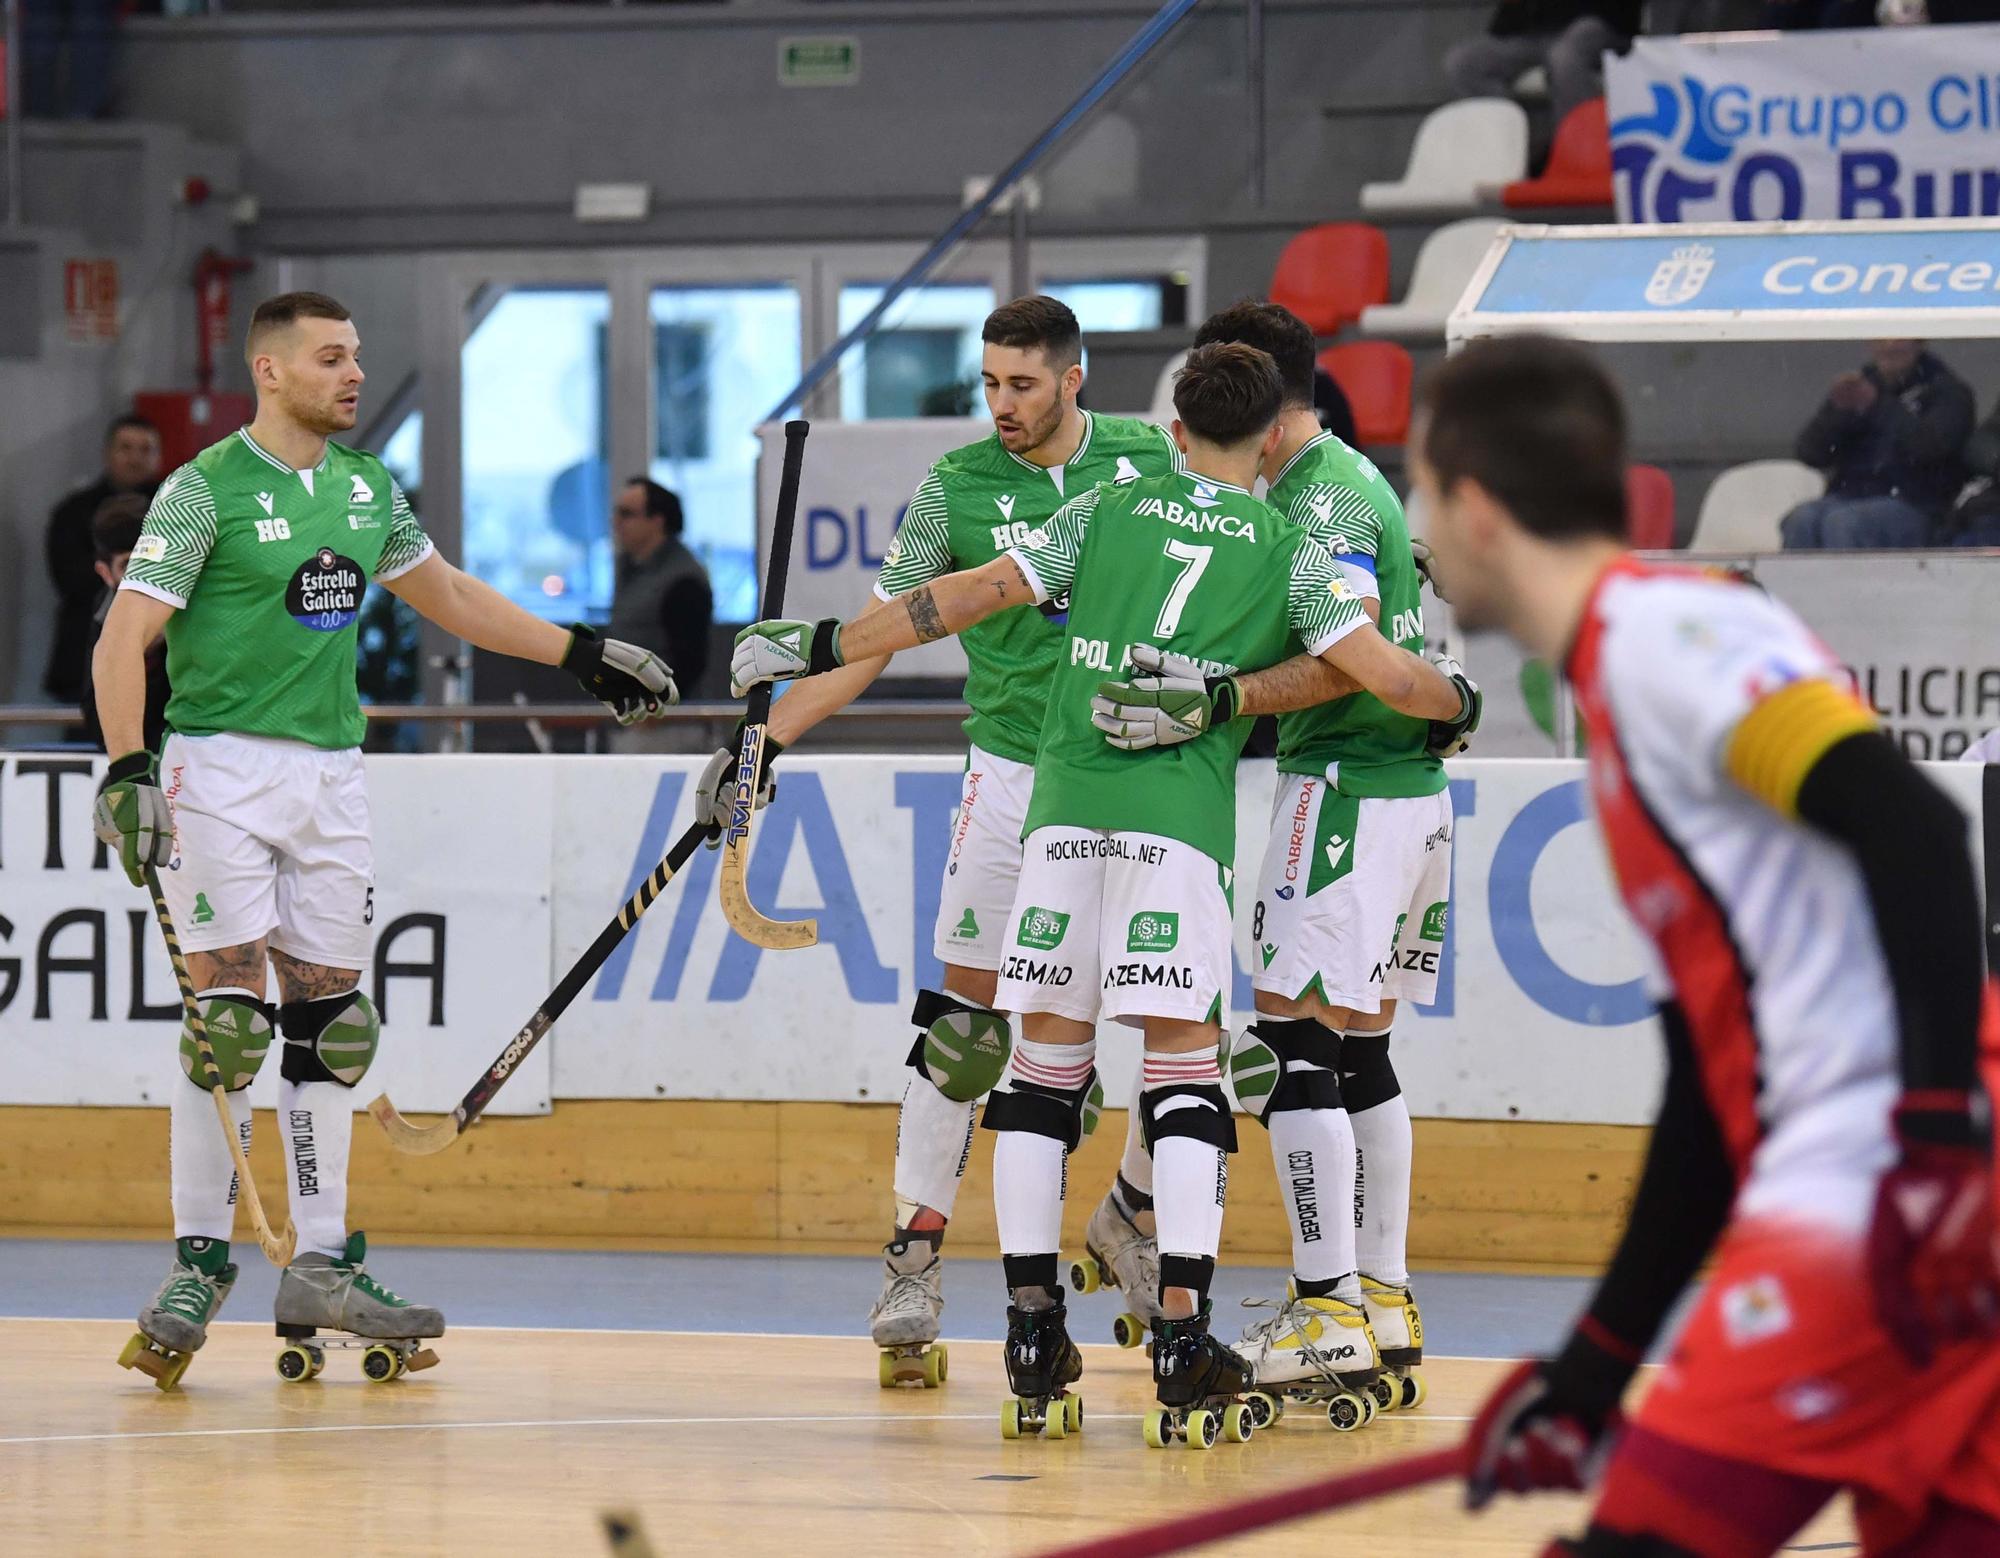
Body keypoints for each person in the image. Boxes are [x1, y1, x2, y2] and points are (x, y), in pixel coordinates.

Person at [732, 341, 1478, 1445]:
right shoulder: (1290, 547)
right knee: (1182, 1072)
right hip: (1175, 828)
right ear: (1269, 433)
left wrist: (823, 640)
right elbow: (1387, 677)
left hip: (1062, 812)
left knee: (1038, 1068)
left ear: (1170, 430)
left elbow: (966, 598)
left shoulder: (1105, 508)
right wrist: (1450, 698)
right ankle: (1182, 1330)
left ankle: (1031, 1330)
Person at [1411, 333, 2000, 1555]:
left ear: (1474, 507)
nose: (1415, 528)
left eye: (1418, 490)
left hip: (1879, 1197)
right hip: (1900, 1186)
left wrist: (1934, 1147)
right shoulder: (1625, 692)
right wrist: (1592, 1366)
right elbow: (1705, 1088)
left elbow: (1917, 832)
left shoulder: (1664, 640)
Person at [94, 291, 679, 1387]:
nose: (353, 374)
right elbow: (126, 637)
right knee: (227, 1025)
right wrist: (129, 767)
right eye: (331, 358)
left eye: (357, 355)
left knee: (332, 1024)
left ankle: (319, 1262)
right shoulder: (203, 490)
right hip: (217, 768)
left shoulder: (366, 489)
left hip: (331, 774)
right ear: (271, 373)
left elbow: (445, 594)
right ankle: (197, 1262)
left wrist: (581, 652)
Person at [692, 296, 1184, 1379]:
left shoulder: (1154, 456)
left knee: (1180, 1033)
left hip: (1142, 775)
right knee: (965, 1025)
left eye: (1021, 383)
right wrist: (766, 739)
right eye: (989, 384)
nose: (1000, 405)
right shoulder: (952, 489)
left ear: (1073, 377)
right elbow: (870, 642)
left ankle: (1132, 1219)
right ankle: (913, 1253)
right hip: (1012, 777)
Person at [1128, 300, 1453, 1418]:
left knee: (1286, 1042)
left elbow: (1349, 658)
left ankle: (1324, 1306)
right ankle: (1381, 1295)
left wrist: (1217, 696)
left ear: (1263, 403)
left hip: (1349, 791)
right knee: (1360, 1051)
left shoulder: (1316, 500)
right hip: (1406, 796)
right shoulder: (1353, 480)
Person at [1780, 339, 1974, 551]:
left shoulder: (1948, 392)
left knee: (1845, 523)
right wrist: (1836, 413)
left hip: (1917, 505)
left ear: (1919, 343)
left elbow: (1929, 446)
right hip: (1849, 495)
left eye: (1898, 340)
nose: (1889, 346)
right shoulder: (1860, 386)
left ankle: (1850, 585)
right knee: (1801, 520)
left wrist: (1878, 405)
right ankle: (1798, 585)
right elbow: (1810, 453)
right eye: (1881, 340)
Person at [44, 412, 162, 702]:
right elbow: (70, 580)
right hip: (85, 650)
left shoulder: (175, 511)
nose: (135, 458)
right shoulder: (73, 513)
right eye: (126, 448)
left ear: (159, 456)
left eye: (145, 450)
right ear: (108, 453)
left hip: (161, 660)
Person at [1443, 2, 1641, 126]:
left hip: (1598, 23)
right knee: (1464, 63)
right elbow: (1502, 28)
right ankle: (1517, 145)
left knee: (1564, 57)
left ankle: (1580, 151)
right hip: (1537, 34)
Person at [77, 493, 168, 753]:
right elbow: (100, 729)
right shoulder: (104, 615)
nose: (144, 576)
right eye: (130, 565)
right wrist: (142, 657)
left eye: (150, 559)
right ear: (105, 574)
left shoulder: (198, 601)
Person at [610, 476, 712, 696]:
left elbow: (689, 660)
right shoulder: (630, 567)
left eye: (626, 514)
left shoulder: (683, 579)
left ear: (657, 521)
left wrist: (658, 704)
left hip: (666, 718)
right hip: (632, 706)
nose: (616, 522)